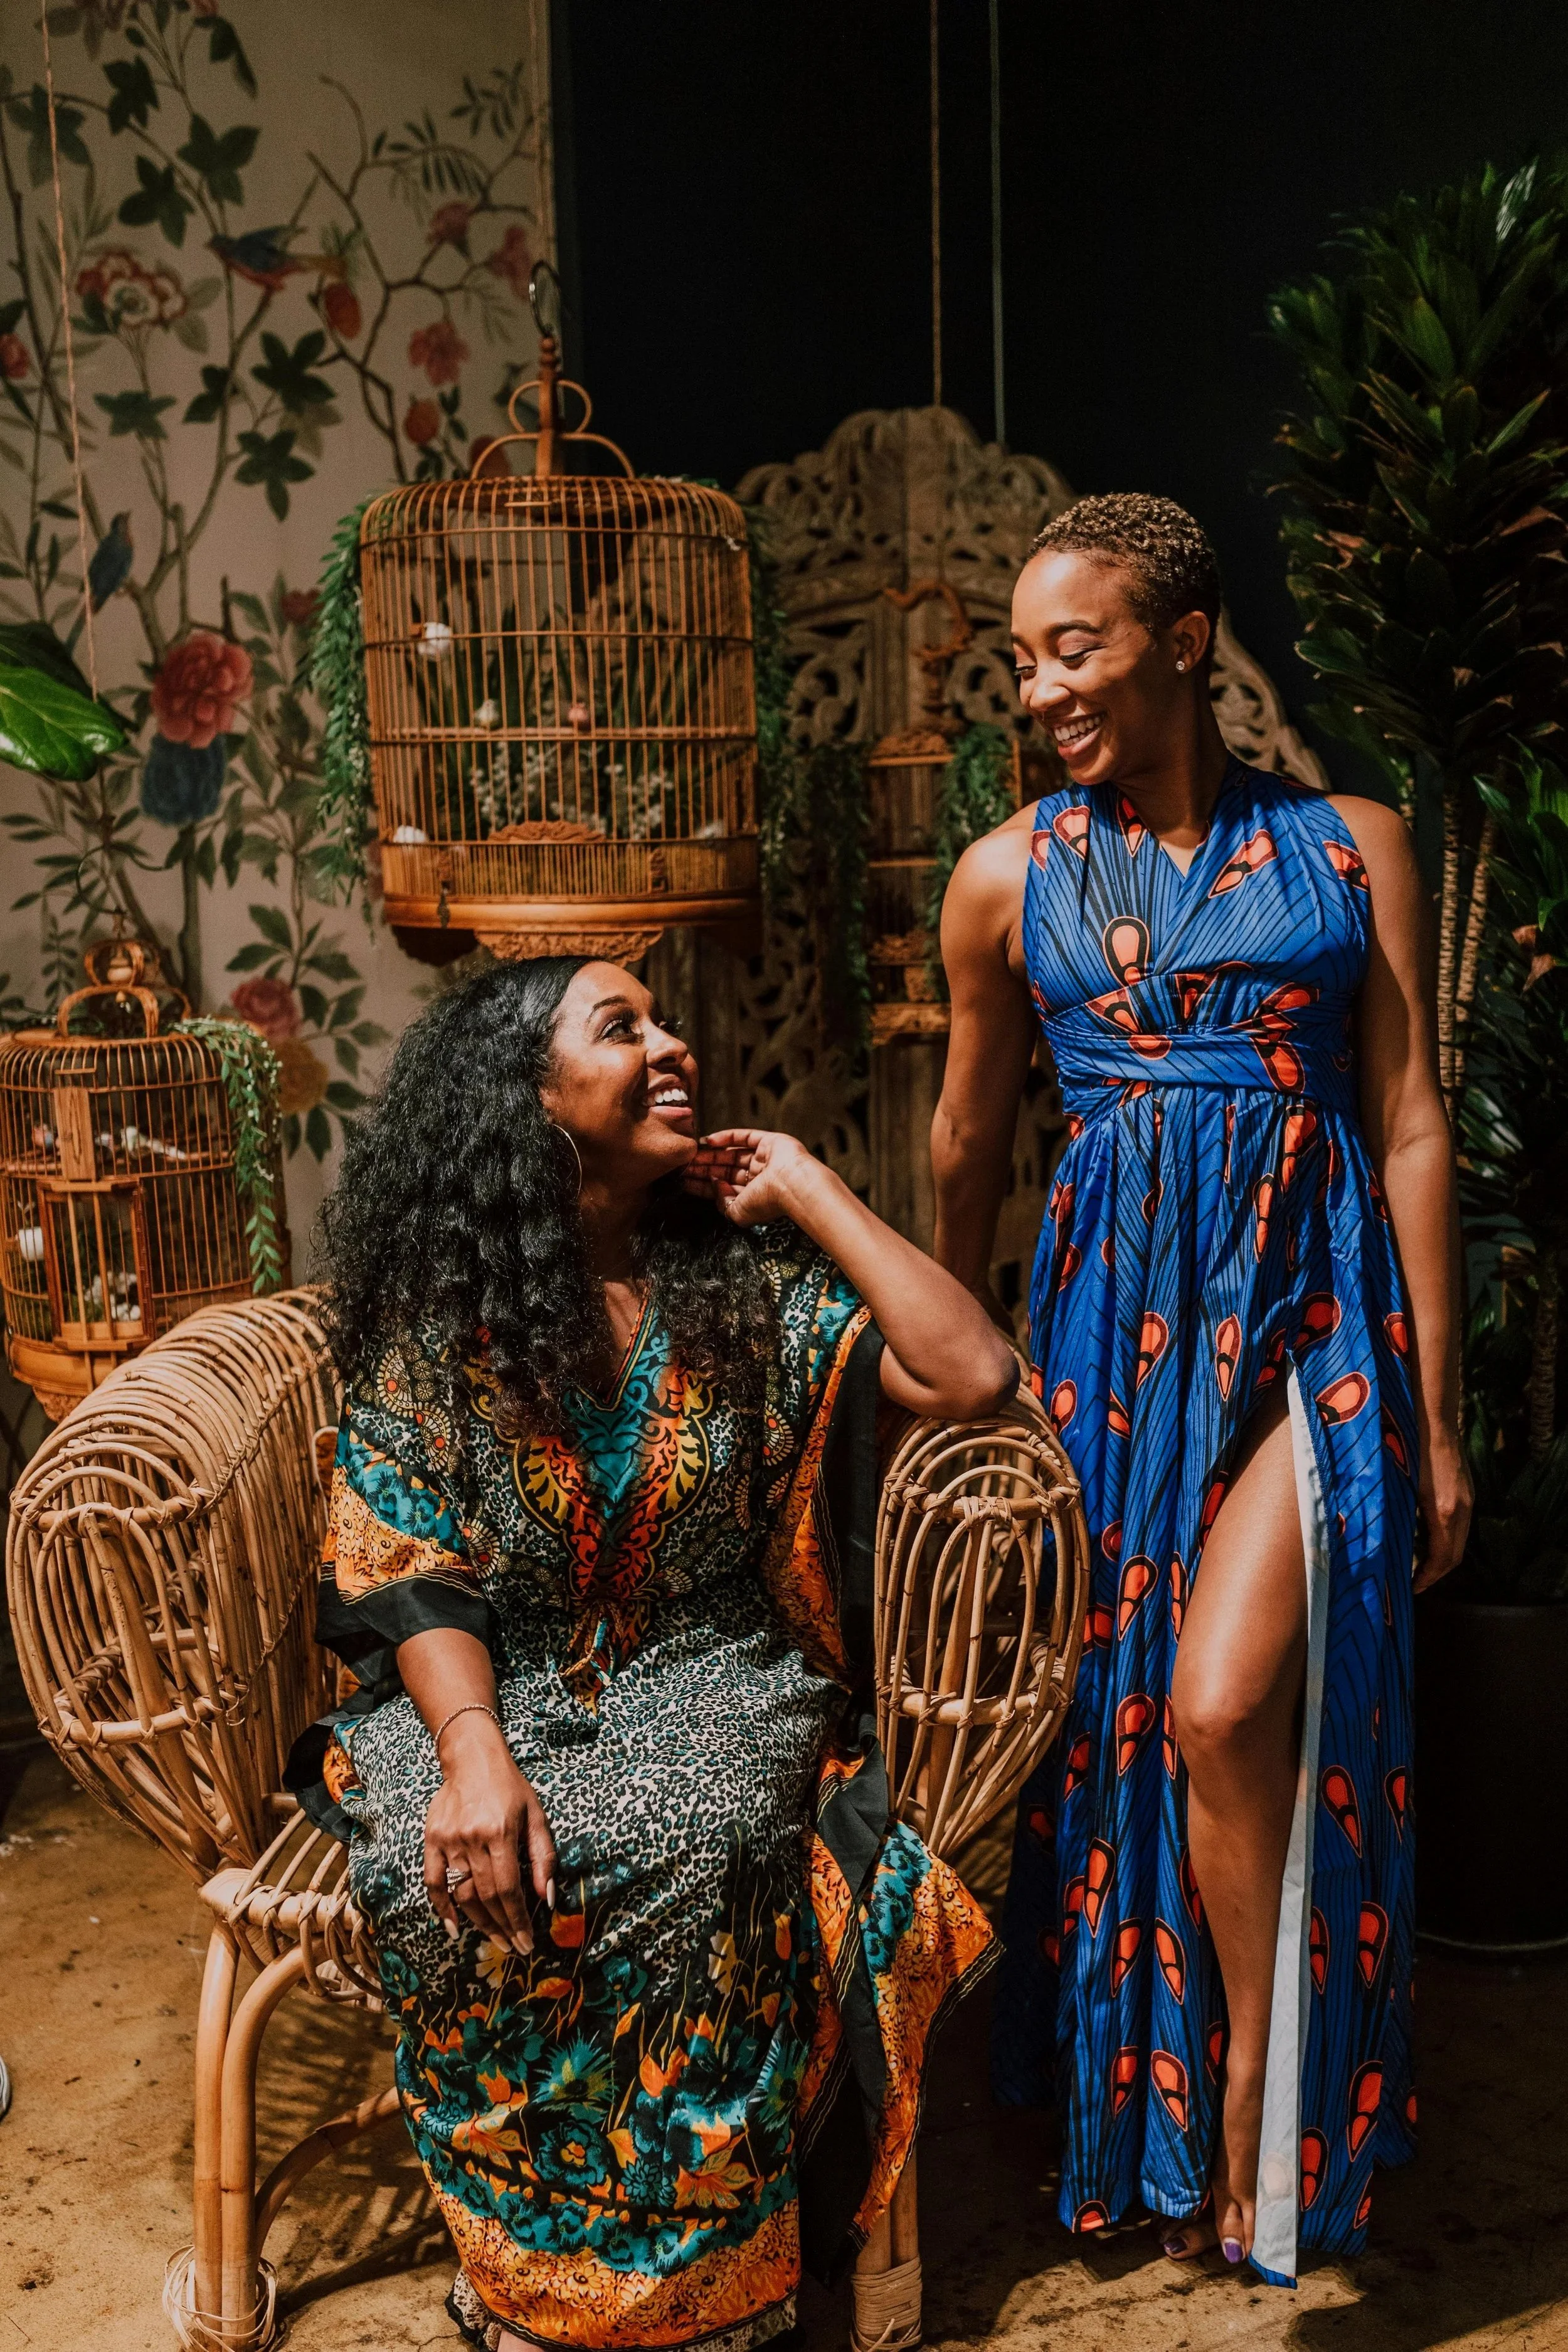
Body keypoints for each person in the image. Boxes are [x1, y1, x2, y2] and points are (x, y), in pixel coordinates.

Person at [292, 955, 1016, 2352]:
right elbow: (404, 1561)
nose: (671, 1045)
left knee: (707, 1833)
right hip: (475, 1686)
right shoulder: (446, 1312)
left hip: (711, 1669)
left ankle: (701, 2303)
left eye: (666, 1019)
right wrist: (473, 1755)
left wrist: (804, 1184)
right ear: (526, 1097)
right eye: (621, 1028)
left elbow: (971, 1370)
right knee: (435, 1858)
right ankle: (530, 2270)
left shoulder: (742, 1285)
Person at [930, 494, 1470, 2286]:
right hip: (1115, 1350)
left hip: (1319, 1321)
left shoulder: (1351, 841)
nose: (1038, 687)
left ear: (1182, 636)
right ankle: (1146, 2107)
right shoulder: (1008, 873)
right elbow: (964, 1137)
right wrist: (955, 1371)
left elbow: (1403, 1122)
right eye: (1021, 658)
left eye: (1069, 646)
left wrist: (1437, 1408)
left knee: (1230, 1704)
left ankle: (1258, 2074)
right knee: (1133, 1714)